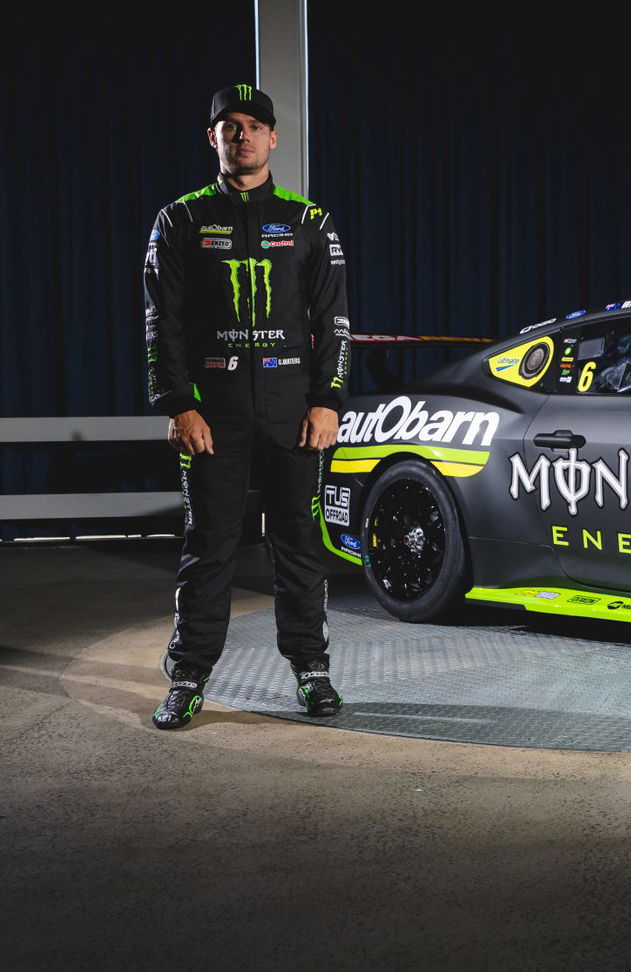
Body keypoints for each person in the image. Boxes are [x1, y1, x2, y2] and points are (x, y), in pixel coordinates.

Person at [144, 83, 352, 728]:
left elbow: (334, 320)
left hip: (293, 410)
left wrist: (328, 401)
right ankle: (188, 675)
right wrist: (179, 405)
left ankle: (311, 669)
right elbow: (161, 322)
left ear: (273, 138)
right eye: (229, 127)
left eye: (254, 126)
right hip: (214, 412)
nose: (242, 136)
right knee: (209, 545)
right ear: (213, 138)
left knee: (299, 543)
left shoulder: (309, 221)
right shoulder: (179, 219)